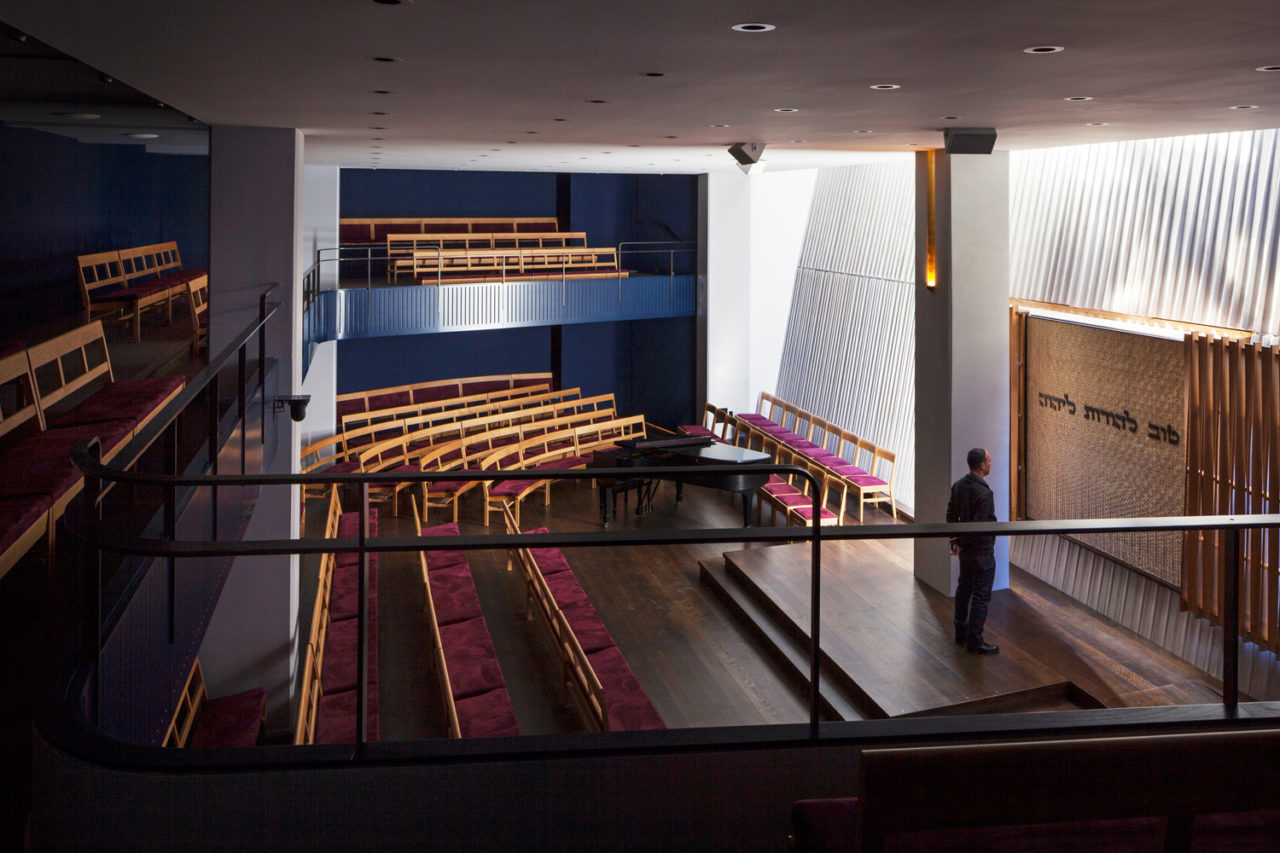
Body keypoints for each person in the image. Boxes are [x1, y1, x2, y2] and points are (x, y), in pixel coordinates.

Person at [946, 447, 999, 654]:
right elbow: (980, 525)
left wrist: (956, 541)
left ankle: (960, 633)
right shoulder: (984, 493)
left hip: (966, 552)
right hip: (982, 551)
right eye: (989, 460)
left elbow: (951, 515)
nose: (991, 463)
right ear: (982, 465)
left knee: (963, 590)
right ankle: (975, 640)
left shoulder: (958, 486)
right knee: (981, 596)